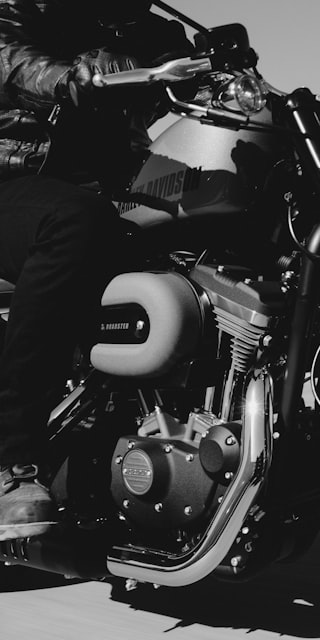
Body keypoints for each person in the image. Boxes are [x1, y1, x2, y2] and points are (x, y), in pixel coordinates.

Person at [0, 0, 192, 540]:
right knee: (71, 221)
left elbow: (184, 68)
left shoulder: (146, 25)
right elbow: (9, 56)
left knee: (214, 208)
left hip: (117, 181)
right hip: (17, 178)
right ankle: (10, 461)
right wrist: (67, 78)